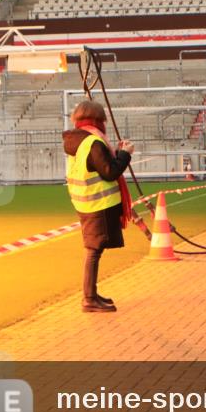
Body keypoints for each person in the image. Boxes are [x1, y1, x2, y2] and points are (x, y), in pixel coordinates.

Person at [62, 100, 134, 313]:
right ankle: (89, 298)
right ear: (98, 120)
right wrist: (126, 154)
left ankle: (91, 294)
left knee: (94, 250)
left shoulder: (77, 140)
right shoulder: (93, 142)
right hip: (98, 204)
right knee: (94, 251)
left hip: (85, 202)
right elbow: (110, 172)